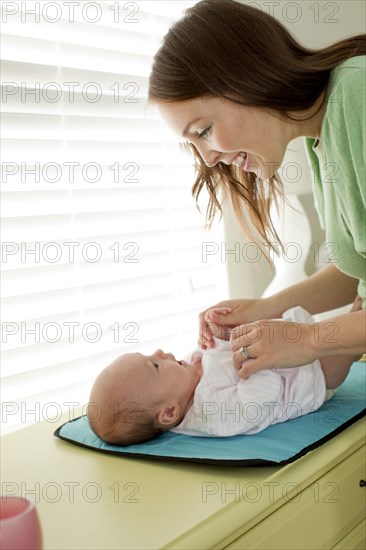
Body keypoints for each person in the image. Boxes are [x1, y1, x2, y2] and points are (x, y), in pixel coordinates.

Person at [148, 0, 366, 377]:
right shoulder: (322, 140)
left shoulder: (357, 92)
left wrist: (310, 338)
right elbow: (356, 274)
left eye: (203, 131)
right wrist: (264, 310)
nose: (210, 158)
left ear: (246, 77)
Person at [87, 306, 359, 445]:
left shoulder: (188, 376)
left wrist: (223, 332)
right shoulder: (211, 415)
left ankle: (356, 312)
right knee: (345, 346)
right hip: (309, 379)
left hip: (294, 348)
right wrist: (251, 358)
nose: (159, 352)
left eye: (150, 354)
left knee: (338, 328)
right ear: (169, 411)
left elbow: (224, 350)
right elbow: (261, 399)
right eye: (154, 365)